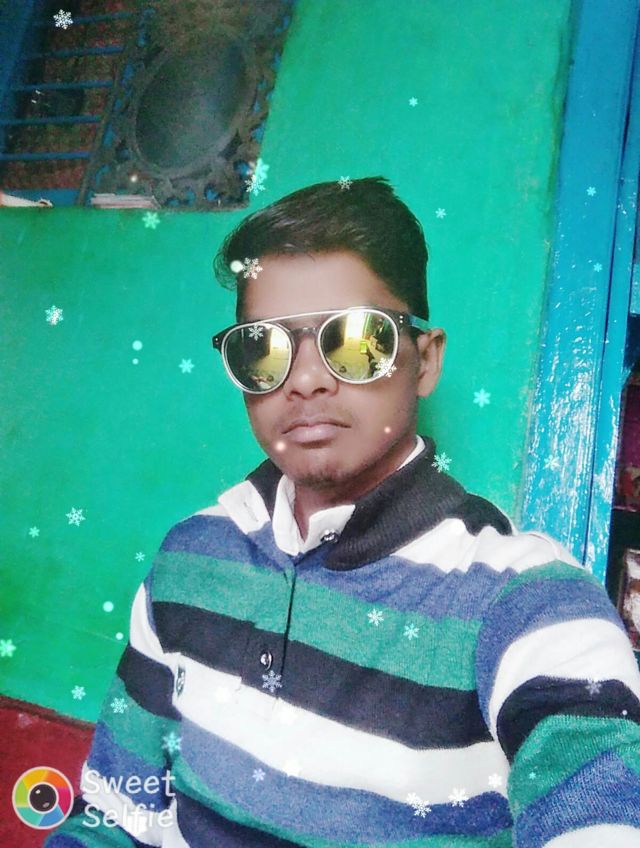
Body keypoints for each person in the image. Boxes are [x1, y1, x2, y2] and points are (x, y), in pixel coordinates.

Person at [46, 177, 640, 847]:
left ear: (425, 361)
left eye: (357, 340)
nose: (305, 380)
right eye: (263, 347)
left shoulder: (523, 601)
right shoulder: (190, 557)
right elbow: (113, 814)